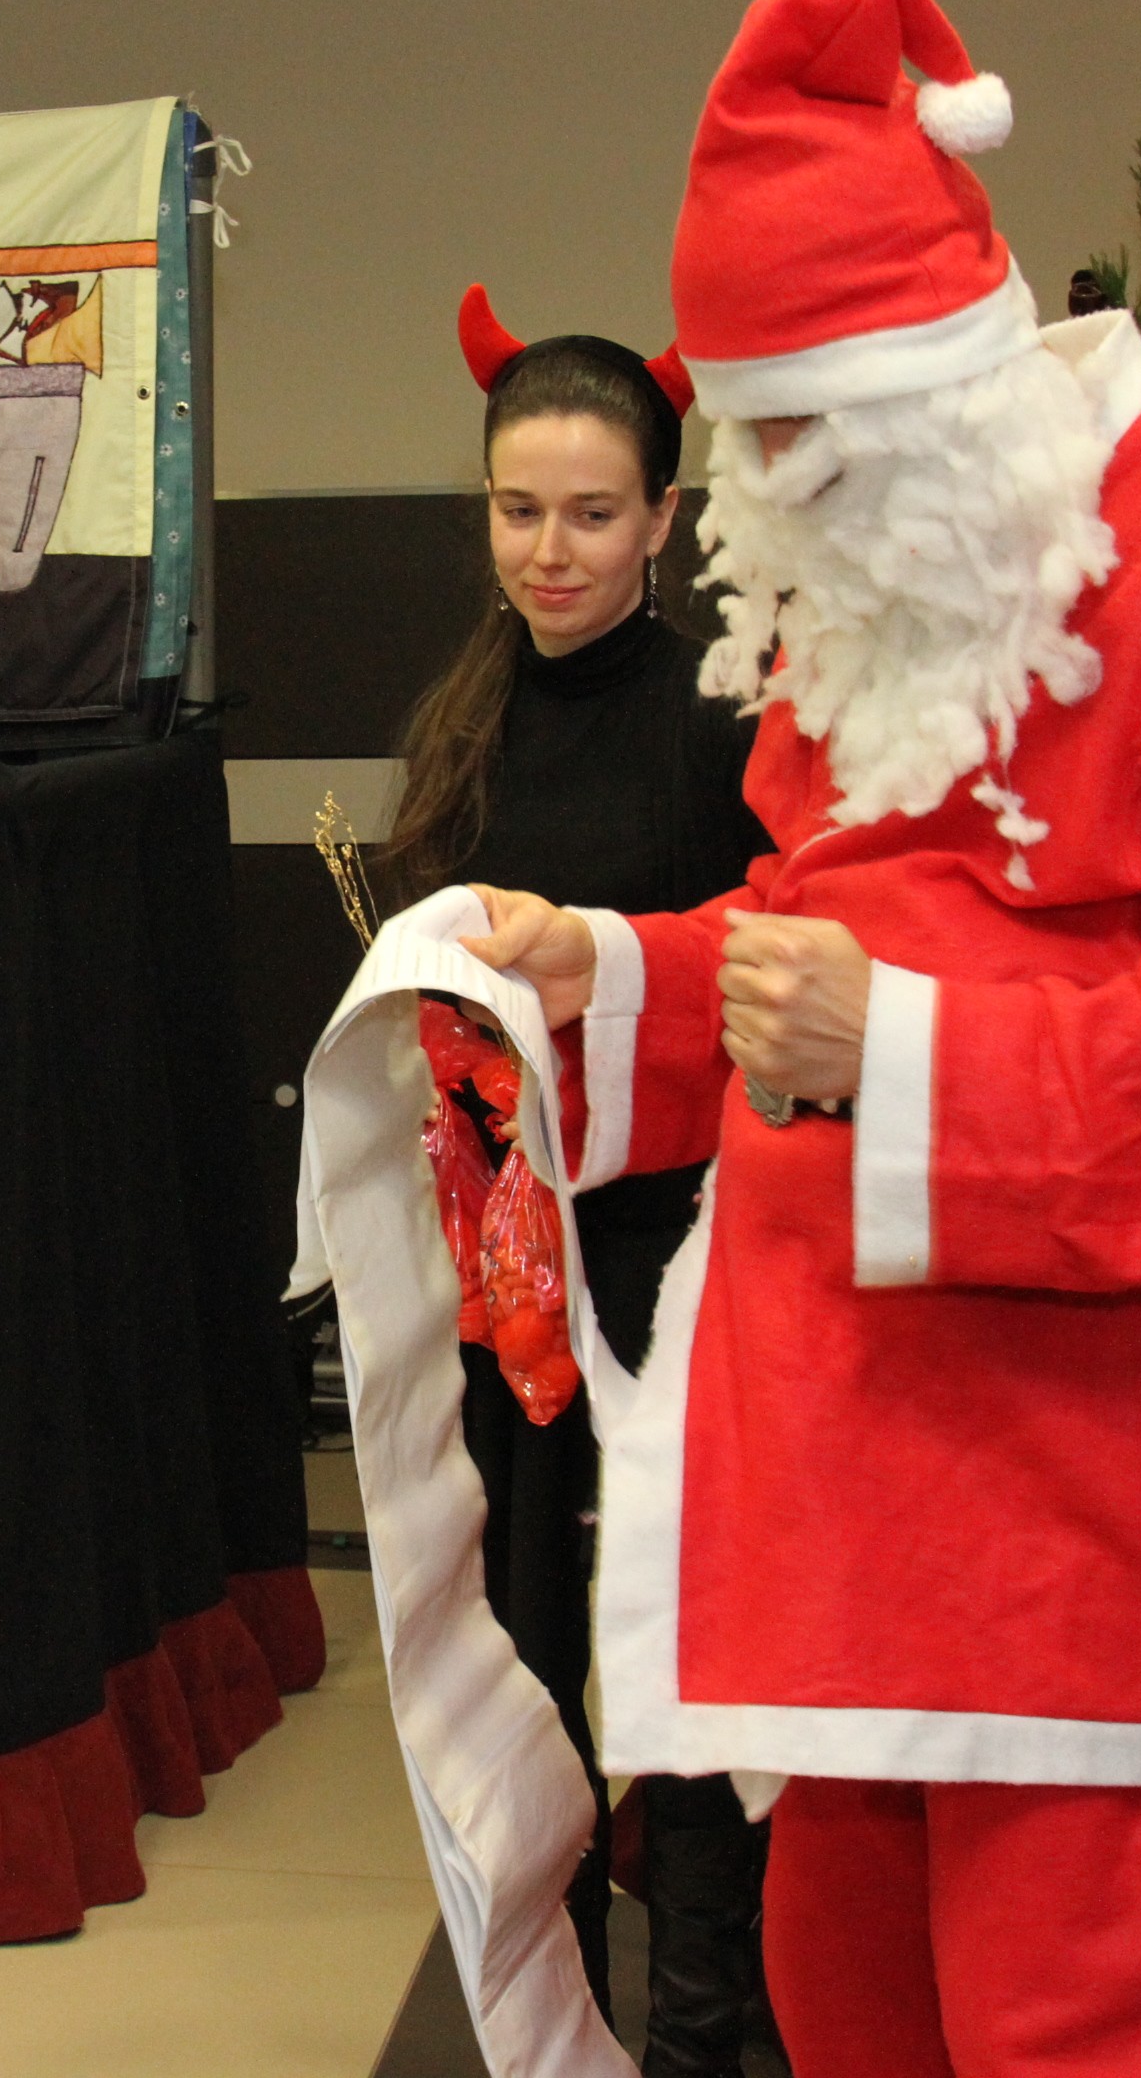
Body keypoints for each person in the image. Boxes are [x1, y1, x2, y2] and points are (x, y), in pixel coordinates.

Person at [463, 0, 1141, 2077]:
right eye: (753, 438)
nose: (775, 488)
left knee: (1101, 2028)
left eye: (809, 434)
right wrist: (623, 977)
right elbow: (825, 941)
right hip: (855, 1483)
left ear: (938, 383)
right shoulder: (893, 566)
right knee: (850, 2003)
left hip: (1102, 1511)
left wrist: (899, 1052)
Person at [380, 290, 774, 2075]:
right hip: (513, 1256)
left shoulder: (723, 713)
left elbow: (769, 969)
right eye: (517, 510)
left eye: (593, 514)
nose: (550, 551)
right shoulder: (463, 718)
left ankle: (699, 2033)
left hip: (686, 1259)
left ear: (665, 516)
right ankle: (552, 2024)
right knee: (525, 1647)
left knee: (682, 1663)